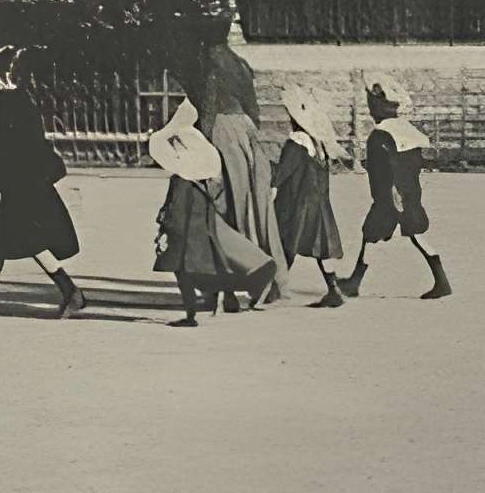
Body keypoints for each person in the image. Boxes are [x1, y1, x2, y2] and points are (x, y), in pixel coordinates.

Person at [0, 42, 84, 318]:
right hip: (27, 182)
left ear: (2, 76)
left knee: (24, 240)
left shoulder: (7, 106)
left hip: (11, 186)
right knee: (4, 241)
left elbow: (4, 153)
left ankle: (70, 290)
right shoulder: (24, 101)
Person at [150, 99, 274, 326]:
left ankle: (191, 316)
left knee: (183, 274)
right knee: (210, 270)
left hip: (184, 236)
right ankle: (227, 299)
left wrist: (165, 229)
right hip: (202, 232)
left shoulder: (180, 180)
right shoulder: (202, 177)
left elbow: (176, 211)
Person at [339, 77, 450, 299]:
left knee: (373, 232)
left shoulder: (379, 135)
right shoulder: (405, 131)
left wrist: (390, 193)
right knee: (404, 234)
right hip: (409, 192)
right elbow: (415, 163)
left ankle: (354, 282)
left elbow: (381, 170)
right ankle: (441, 280)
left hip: (389, 196)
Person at [199, 26, 283, 310]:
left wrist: (204, 146)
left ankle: (241, 279)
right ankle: (270, 275)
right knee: (256, 206)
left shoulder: (210, 65)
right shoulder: (240, 63)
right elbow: (254, 108)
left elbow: (209, 109)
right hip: (246, 130)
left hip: (223, 131)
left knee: (226, 208)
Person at [275, 92, 351, 307]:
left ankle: (273, 288)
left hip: (297, 202)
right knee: (320, 248)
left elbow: (284, 172)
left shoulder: (297, 142)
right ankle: (333, 289)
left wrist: (271, 182)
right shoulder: (319, 145)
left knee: (286, 241)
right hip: (318, 203)